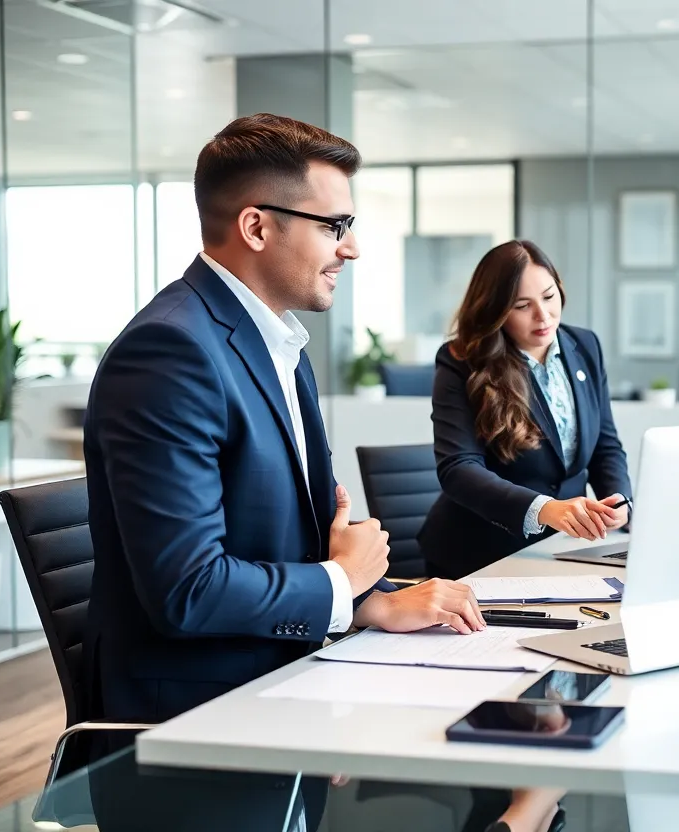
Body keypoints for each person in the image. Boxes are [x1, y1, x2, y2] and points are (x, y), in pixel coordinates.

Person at [82, 113, 484, 827]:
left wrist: (372, 599)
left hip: (286, 704)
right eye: (336, 225)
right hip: (197, 743)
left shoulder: (278, 345)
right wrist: (342, 581)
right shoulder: (171, 352)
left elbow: (287, 547)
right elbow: (188, 591)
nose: (351, 248)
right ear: (258, 227)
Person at [418, 240, 633, 579]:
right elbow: (459, 469)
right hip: (480, 554)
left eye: (549, 297)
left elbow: (605, 445)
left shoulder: (585, 346)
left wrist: (618, 500)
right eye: (522, 305)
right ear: (496, 310)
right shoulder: (461, 361)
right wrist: (545, 509)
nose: (543, 316)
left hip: (561, 550)